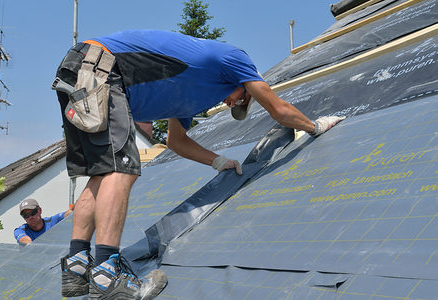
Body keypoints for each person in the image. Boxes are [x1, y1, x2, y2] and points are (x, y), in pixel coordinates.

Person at [54, 29, 345, 299]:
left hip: (79, 72)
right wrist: (314, 126)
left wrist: (217, 161)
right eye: (241, 99)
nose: (234, 104)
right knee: (121, 170)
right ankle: (108, 276)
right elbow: (278, 109)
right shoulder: (235, 58)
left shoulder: (188, 100)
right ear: (245, 83)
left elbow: (176, 142)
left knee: (100, 173)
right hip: (102, 68)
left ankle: (77, 267)